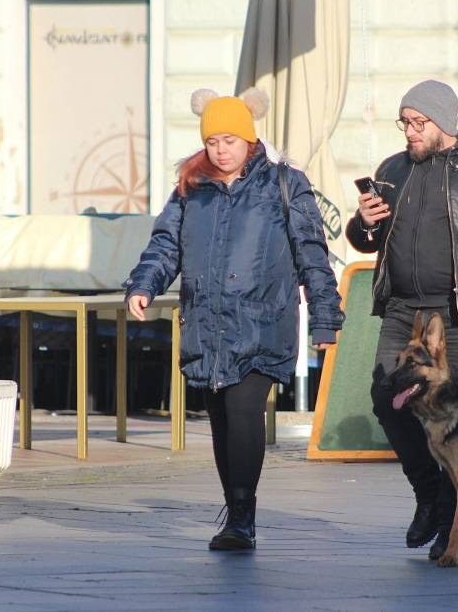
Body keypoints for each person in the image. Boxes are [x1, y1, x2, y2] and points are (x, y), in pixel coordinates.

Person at [125, 87, 344, 551]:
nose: (220, 150)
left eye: (229, 140)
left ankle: (242, 518)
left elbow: (312, 254)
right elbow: (165, 245)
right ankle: (234, 509)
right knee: (222, 420)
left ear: (249, 139)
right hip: (207, 324)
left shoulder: (284, 183)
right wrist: (143, 285)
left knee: (244, 411)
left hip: (263, 322)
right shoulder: (190, 189)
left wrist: (325, 319)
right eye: (212, 141)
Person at [345, 79, 458, 559]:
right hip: (402, 308)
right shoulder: (393, 169)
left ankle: (452, 518)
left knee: (456, 414)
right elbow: (365, 241)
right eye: (404, 122)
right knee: (388, 398)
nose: (410, 131)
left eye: (418, 122)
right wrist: (363, 223)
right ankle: (431, 496)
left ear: (442, 120)